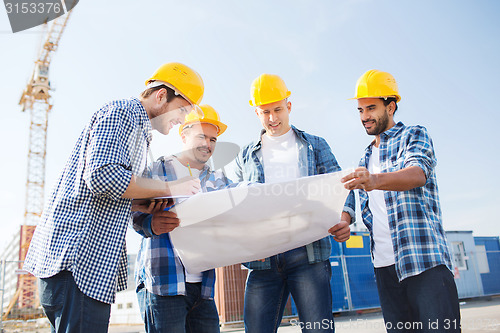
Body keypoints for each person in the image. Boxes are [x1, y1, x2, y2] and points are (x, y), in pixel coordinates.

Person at [23, 62, 205, 332]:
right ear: (161, 95)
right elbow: (102, 176)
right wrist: (171, 187)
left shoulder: (139, 133)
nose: (183, 119)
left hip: (81, 267)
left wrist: (141, 203)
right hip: (78, 262)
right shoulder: (123, 114)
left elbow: (109, 189)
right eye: (183, 109)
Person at [234, 74, 354, 333]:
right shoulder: (245, 155)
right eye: (265, 112)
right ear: (256, 112)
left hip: (307, 255)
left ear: (289, 106)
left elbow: (343, 185)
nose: (272, 118)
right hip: (262, 259)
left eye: (277, 109)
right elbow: (232, 199)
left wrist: (345, 218)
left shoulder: (315, 145)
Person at [342, 69, 460, 332]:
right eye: (360, 110)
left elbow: (417, 173)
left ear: (391, 106)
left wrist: (375, 181)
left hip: (424, 262)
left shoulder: (414, 135)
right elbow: (349, 197)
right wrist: (343, 220)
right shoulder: (363, 159)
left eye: (371, 108)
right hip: (385, 269)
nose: (365, 117)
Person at [133, 105, 230, 333]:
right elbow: (131, 212)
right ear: (183, 135)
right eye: (201, 137)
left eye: (213, 139)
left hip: (203, 289)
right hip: (163, 286)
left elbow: (241, 202)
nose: (208, 144)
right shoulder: (155, 170)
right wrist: (150, 224)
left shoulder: (217, 179)